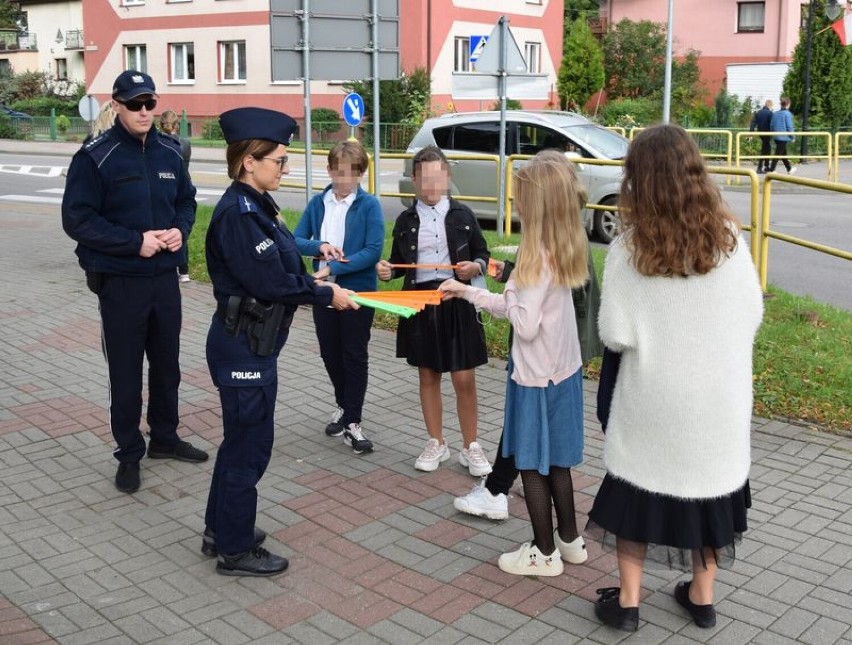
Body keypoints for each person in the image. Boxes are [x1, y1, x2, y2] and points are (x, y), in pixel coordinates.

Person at [586, 124, 763, 632]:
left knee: (637, 495)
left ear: (638, 179)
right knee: (709, 493)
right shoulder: (730, 240)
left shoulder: (629, 247)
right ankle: (702, 598)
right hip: (719, 400)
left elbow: (616, 334)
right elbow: (752, 313)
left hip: (655, 398)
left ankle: (628, 602)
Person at [203, 107, 358, 577]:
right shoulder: (238, 214)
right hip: (242, 346)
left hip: (252, 343)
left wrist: (315, 251)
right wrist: (325, 292)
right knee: (250, 447)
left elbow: (281, 251)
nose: (285, 169)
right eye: (279, 160)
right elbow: (270, 283)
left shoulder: (256, 204)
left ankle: (220, 529)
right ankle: (234, 550)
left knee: (240, 444)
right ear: (249, 160)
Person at [440, 154, 589, 577]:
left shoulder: (533, 254)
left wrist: (478, 294)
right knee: (557, 459)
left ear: (536, 204)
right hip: (564, 370)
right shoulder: (567, 242)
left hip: (534, 377)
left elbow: (523, 324)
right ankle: (569, 539)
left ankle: (543, 551)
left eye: (521, 197)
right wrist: (484, 291)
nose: (515, 203)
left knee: (528, 461)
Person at [62, 70, 206, 495]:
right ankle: (128, 453)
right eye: (135, 104)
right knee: (126, 373)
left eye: (150, 103)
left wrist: (181, 229)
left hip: (164, 279)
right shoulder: (95, 157)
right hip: (121, 281)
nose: (144, 112)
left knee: (167, 367)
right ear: (118, 107)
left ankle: (164, 437)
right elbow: (77, 220)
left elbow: (186, 200)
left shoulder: (170, 151)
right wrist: (132, 243)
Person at [376, 146, 492, 477]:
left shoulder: (463, 215)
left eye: (437, 178)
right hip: (420, 303)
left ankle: (471, 446)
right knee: (428, 374)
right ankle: (436, 442)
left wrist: (475, 266)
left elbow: (482, 253)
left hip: (457, 301)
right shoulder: (405, 220)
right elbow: (398, 262)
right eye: (424, 179)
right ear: (414, 180)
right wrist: (387, 271)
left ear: (447, 178)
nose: (430, 185)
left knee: (464, 377)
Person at [294, 140, 384, 454]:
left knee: (354, 354)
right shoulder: (319, 202)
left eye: (353, 174)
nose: (346, 180)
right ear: (330, 169)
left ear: (361, 174)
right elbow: (296, 240)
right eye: (339, 172)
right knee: (330, 352)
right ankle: (344, 406)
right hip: (324, 292)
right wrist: (319, 247)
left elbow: (373, 251)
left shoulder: (369, 205)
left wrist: (331, 267)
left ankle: (353, 422)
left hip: (358, 292)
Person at [159, 109, 194, 282]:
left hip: (166, 185)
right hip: (184, 183)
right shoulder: (185, 144)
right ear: (177, 126)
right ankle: (184, 270)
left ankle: (169, 265)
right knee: (180, 228)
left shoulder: (158, 143)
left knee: (166, 224)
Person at [768, 96, 796, 175]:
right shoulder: (788, 114)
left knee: (783, 153)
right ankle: (772, 169)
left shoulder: (775, 113)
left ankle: (789, 169)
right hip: (784, 137)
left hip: (776, 136)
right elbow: (789, 126)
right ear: (788, 104)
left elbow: (772, 125)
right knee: (778, 153)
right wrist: (792, 137)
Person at [749, 99, 773, 174]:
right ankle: (762, 167)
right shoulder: (770, 113)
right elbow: (772, 124)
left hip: (761, 133)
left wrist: (751, 133)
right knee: (765, 149)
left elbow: (753, 123)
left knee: (766, 148)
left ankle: (765, 166)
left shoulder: (758, 112)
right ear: (770, 105)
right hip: (768, 133)